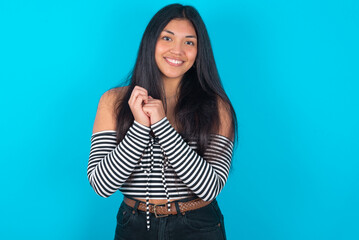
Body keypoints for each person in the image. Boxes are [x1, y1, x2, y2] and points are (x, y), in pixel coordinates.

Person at [87, 3, 238, 240]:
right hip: (134, 226)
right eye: (167, 38)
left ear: (199, 52)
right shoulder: (114, 101)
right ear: (150, 42)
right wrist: (139, 127)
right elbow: (101, 185)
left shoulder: (217, 107)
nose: (177, 50)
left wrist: (161, 125)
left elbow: (210, 188)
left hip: (198, 226)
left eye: (189, 42)